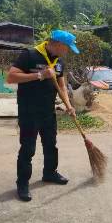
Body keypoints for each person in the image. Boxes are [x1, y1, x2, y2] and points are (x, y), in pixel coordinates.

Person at [5, 29, 79, 202]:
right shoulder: (29, 55)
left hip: (48, 110)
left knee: (51, 144)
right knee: (28, 148)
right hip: (29, 111)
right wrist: (39, 75)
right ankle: (23, 183)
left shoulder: (58, 62)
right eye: (67, 48)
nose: (68, 51)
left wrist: (69, 106)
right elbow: (11, 77)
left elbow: (61, 86)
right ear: (58, 44)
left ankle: (50, 173)